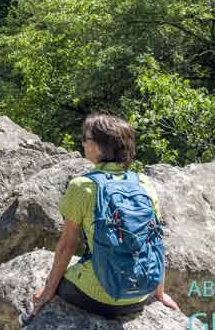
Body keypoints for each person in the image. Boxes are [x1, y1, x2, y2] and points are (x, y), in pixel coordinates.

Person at [30, 112, 180, 318]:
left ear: (100, 146)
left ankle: (27, 321)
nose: (82, 143)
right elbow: (154, 240)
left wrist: (48, 291)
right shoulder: (144, 184)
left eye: (86, 138)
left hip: (99, 297)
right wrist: (159, 293)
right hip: (140, 294)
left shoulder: (83, 186)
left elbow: (67, 245)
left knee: (49, 285)